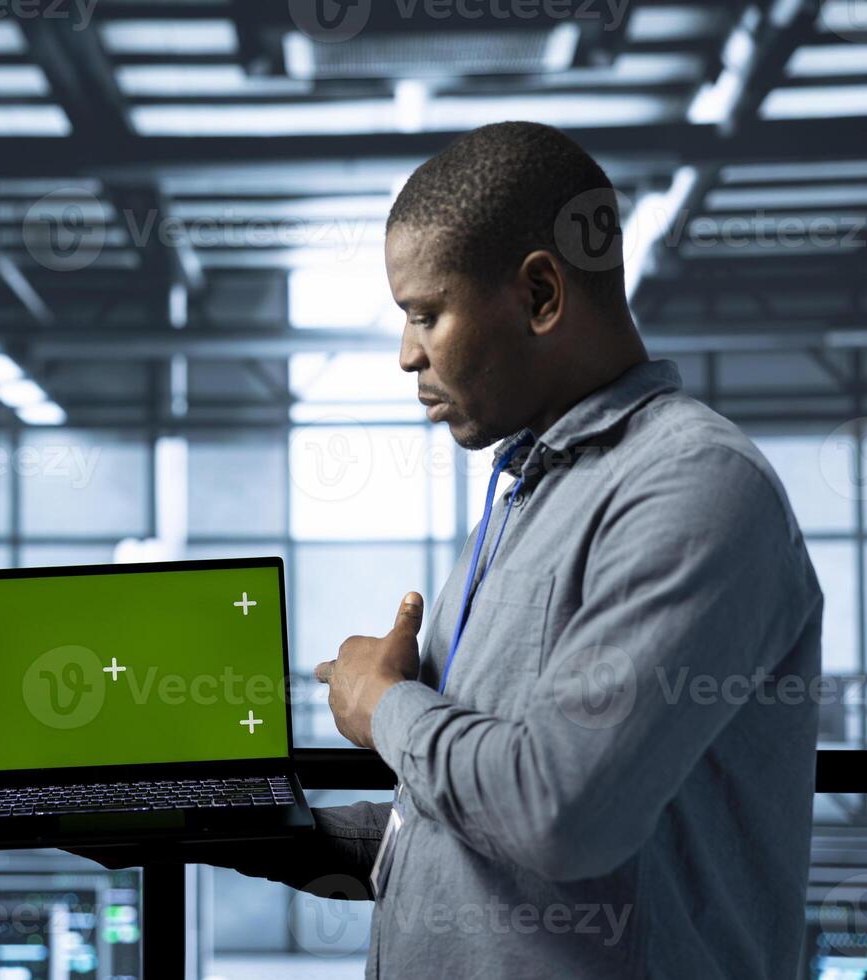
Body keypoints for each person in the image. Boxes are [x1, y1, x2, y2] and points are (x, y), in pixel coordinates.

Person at [76, 122, 824, 978]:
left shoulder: (693, 489)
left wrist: (383, 705)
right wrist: (191, 825)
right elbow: (436, 841)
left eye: (426, 313)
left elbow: (560, 814)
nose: (406, 354)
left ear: (541, 295)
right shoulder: (518, 503)